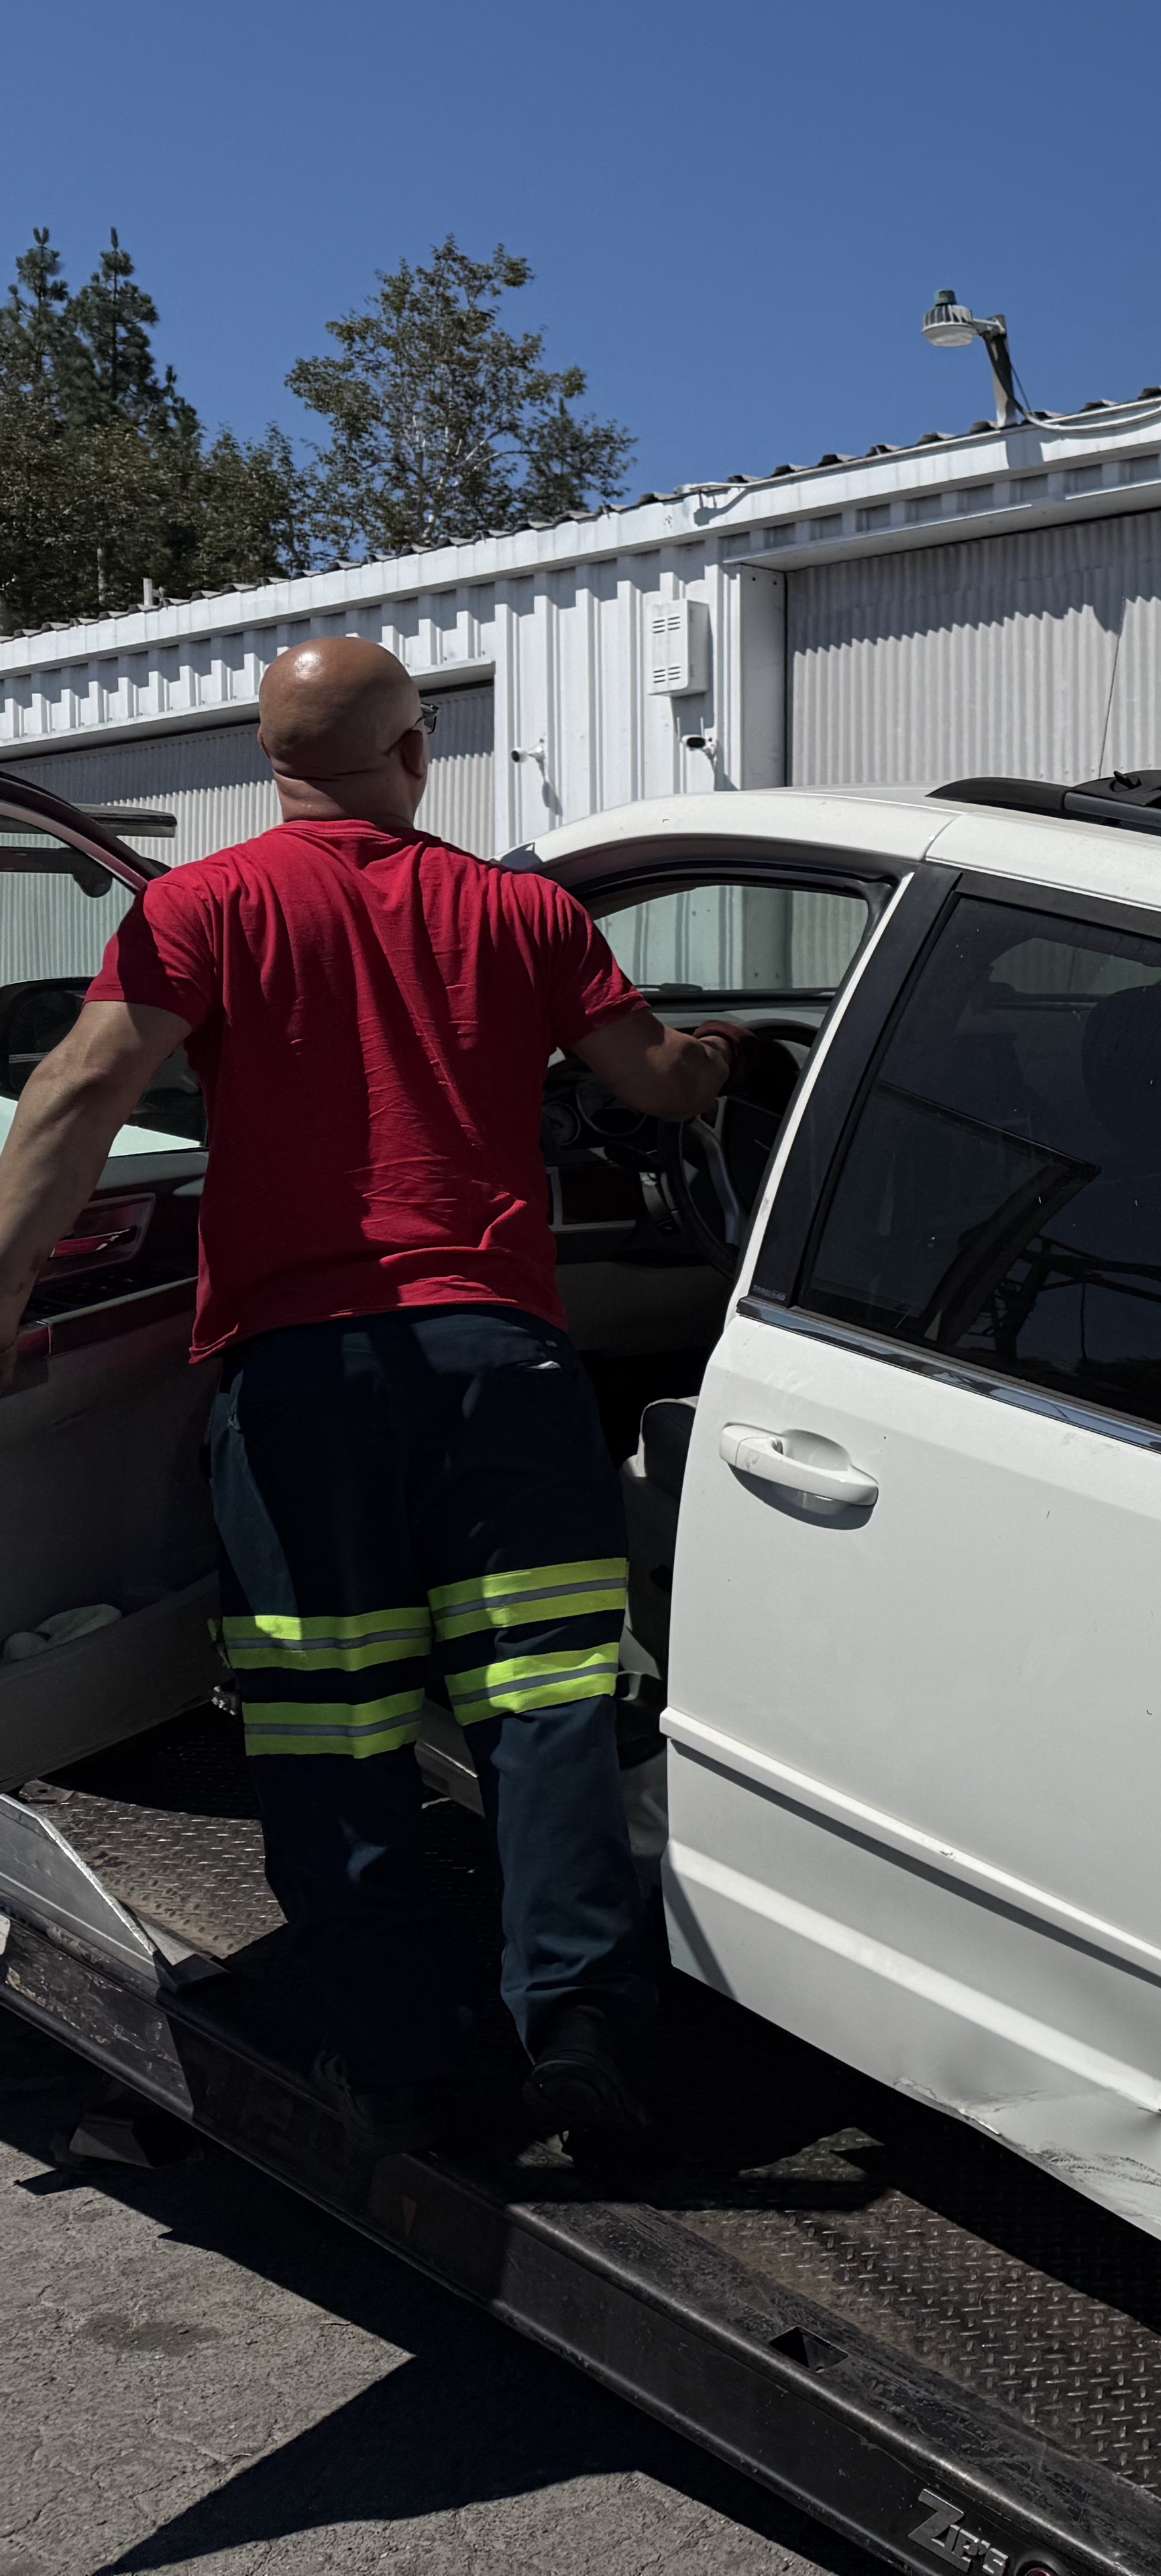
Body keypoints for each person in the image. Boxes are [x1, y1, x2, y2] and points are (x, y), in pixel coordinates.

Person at [0, 637, 748, 2156]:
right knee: (544, 1708)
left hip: (304, 1387)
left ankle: (401, 2063)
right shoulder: (522, 911)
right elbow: (655, 1079)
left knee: (327, 1723)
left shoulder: (199, 909)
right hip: (504, 1370)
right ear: (414, 756)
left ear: (268, 761)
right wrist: (730, 1060)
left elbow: (78, 1096)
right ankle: (586, 2031)